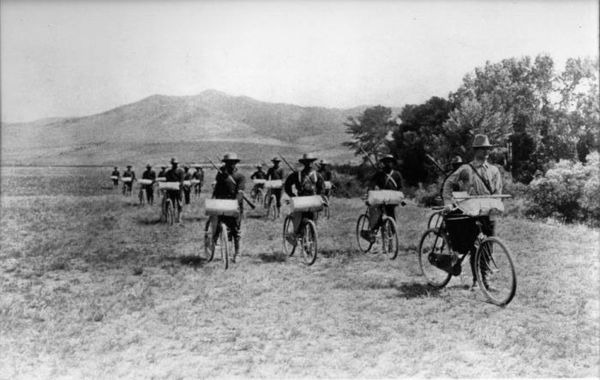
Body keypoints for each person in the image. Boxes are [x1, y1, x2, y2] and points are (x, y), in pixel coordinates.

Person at [442, 134, 503, 287]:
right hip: (471, 212)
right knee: (474, 245)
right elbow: (448, 184)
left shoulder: (494, 170)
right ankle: (477, 280)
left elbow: (498, 192)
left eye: (488, 149)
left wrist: (495, 205)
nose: (486, 152)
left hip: (488, 212)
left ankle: (485, 279)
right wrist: (448, 202)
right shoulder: (465, 169)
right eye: (482, 149)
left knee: (489, 245)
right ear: (475, 151)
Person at [212, 153, 246, 262]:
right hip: (222, 202)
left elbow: (240, 192)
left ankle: (237, 253)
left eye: (232, 163)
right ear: (225, 164)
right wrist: (214, 198)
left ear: (236, 163)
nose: (230, 165)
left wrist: (235, 203)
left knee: (236, 230)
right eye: (228, 163)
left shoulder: (240, 176)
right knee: (218, 221)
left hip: (235, 205)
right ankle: (215, 240)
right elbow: (217, 188)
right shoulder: (221, 174)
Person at [363, 154, 404, 241]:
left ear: (393, 163)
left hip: (392, 199)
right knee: (379, 216)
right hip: (382, 198)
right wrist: (370, 195)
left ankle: (391, 238)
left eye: (390, 162)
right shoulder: (379, 174)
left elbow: (400, 187)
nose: (389, 164)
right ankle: (373, 231)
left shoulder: (397, 174)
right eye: (386, 162)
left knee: (392, 218)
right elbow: (372, 185)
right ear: (384, 163)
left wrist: (401, 198)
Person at [284, 153, 325, 235]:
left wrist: (319, 197)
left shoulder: (316, 175)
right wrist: (292, 196)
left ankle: (310, 240)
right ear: (304, 163)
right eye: (307, 162)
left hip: (310, 201)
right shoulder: (297, 175)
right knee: (302, 221)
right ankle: (301, 235)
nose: (308, 164)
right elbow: (287, 185)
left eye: (309, 162)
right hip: (303, 202)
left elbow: (322, 188)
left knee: (311, 221)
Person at [165, 158, 185, 223]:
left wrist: (179, 185)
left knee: (179, 203)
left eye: (176, 164)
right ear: (172, 164)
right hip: (171, 190)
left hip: (178, 190)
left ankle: (179, 217)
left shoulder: (181, 171)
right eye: (173, 164)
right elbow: (167, 181)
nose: (175, 165)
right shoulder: (168, 172)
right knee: (172, 203)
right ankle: (172, 216)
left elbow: (182, 181)